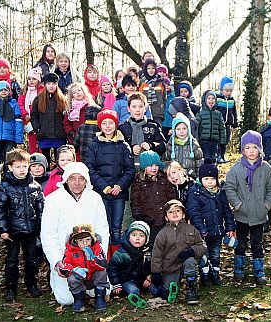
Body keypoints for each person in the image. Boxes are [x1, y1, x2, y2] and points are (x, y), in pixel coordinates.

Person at [40, 162, 109, 305]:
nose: (77, 183)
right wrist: (58, 261)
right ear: (66, 179)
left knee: (103, 290)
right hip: (68, 260)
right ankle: (56, 280)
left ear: (86, 180)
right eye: (72, 178)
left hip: (91, 260)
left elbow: (103, 230)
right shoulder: (53, 200)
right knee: (67, 299)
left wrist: (99, 255)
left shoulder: (95, 198)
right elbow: (48, 234)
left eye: (81, 178)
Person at [224, 130, 271, 285]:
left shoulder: (266, 168)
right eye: (247, 148)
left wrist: (267, 205)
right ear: (243, 150)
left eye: (254, 148)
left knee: (257, 244)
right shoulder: (236, 169)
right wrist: (237, 204)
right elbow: (229, 188)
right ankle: (239, 270)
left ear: (259, 149)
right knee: (240, 243)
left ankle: (259, 271)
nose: (251, 151)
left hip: (259, 215)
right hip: (241, 215)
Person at [0, 148, 45, 301]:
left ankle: (32, 284)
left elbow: (41, 209)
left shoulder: (35, 186)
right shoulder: (5, 187)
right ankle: (11, 287)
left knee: (31, 259)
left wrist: (41, 228)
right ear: (10, 168)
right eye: (17, 167)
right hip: (12, 232)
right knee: (11, 261)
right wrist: (3, 229)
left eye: (24, 166)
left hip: (31, 231)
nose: (22, 170)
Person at [85, 110, 135, 256]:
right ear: (100, 125)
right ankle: (103, 256)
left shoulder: (123, 146)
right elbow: (90, 168)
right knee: (103, 226)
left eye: (111, 123)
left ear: (116, 124)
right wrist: (104, 187)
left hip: (118, 193)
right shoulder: (93, 146)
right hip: (102, 192)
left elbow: (130, 169)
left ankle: (115, 256)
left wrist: (120, 185)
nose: (108, 126)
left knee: (116, 226)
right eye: (104, 123)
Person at [188, 159, 236, 286]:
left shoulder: (220, 193)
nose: (209, 182)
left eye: (212, 179)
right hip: (203, 232)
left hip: (217, 231)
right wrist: (201, 228)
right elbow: (194, 213)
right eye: (206, 179)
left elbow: (227, 211)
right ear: (201, 179)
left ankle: (215, 273)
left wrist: (230, 227)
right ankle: (204, 274)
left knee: (215, 254)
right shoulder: (195, 193)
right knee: (204, 254)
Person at [151, 199, 207, 305]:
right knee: (166, 292)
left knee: (190, 261)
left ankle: (191, 290)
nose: (175, 213)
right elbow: (157, 255)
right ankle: (164, 288)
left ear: (183, 214)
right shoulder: (163, 233)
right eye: (171, 212)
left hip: (186, 263)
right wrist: (156, 272)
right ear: (166, 217)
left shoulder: (191, 229)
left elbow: (202, 246)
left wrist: (191, 251)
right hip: (170, 267)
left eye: (177, 211)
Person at [130, 151, 176, 249]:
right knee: (152, 246)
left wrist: (171, 213)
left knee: (167, 245)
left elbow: (171, 197)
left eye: (156, 165)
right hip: (148, 220)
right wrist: (139, 216)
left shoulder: (164, 180)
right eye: (151, 165)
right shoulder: (139, 182)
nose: (154, 168)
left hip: (165, 220)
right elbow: (135, 201)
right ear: (144, 167)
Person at [62, 224, 109, 312]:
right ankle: (79, 299)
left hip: (93, 277)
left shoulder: (97, 248)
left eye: (88, 240)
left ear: (92, 239)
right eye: (81, 240)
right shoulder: (69, 250)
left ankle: (100, 297)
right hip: (80, 278)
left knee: (102, 273)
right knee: (72, 278)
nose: (85, 243)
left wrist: (94, 259)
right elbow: (64, 266)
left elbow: (104, 264)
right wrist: (73, 270)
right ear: (75, 241)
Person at [108, 221, 154, 309]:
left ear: (146, 239)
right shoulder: (122, 252)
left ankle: (166, 293)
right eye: (134, 235)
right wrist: (116, 283)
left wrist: (148, 277)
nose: (137, 238)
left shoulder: (148, 252)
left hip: (142, 280)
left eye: (141, 236)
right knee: (133, 289)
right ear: (129, 238)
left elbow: (151, 266)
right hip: (127, 280)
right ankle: (136, 300)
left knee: (154, 288)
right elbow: (113, 268)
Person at [118, 92, 166, 166]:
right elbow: (118, 148)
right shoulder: (123, 128)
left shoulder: (153, 126)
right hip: (129, 167)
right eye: (134, 107)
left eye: (140, 106)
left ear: (145, 108)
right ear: (128, 109)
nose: (137, 110)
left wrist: (151, 145)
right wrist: (130, 148)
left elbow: (163, 146)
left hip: (149, 167)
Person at [30, 73, 67, 167]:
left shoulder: (62, 99)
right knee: (45, 161)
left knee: (60, 160)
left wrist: (64, 130)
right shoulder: (38, 99)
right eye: (49, 83)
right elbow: (34, 116)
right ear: (45, 85)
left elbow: (66, 116)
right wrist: (37, 129)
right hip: (44, 134)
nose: (51, 86)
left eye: (53, 84)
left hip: (59, 134)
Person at [163, 112, 203, 178]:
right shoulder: (170, 145)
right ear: (174, 130)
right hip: (175, 178)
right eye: (178, 129)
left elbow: (199, 162)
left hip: (191, 177)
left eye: (184, 128)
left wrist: (199, 177)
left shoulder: (194, 145)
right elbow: (166, 161)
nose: (181, 132)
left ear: (188, 129)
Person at [64, 82, 98, 149]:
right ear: (72, 95)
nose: (77, 93)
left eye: (79, 90)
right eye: (74, 92)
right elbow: (67, 123)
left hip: (89, 135)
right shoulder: (71, 109)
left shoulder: (90, 106)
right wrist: (71, 132)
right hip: (76, 137)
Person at [18, 67, 43, 154]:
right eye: (29, 79)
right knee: (32, 140)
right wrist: (24, 114)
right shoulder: (24, 92)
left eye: (34, 79)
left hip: (39, 119)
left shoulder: (41, 91)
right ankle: (33, 157)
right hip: (28, 119)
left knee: (41, 141)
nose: (31, 81)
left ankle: (42, 158)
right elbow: (20, 104)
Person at [196, 90, 226, 163]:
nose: (211, 100)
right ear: (205, 100)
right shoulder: (200, 113)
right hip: (204, 140)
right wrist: (197, 139)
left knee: (213, 158)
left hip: (214, 140)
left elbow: (222, 128)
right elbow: (197, 127)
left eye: (213, 98)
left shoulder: (218, 114)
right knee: (206, 157)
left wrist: (222, 141)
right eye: (209, 98)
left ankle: (212, 171)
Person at [215, 76, 239, 163]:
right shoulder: (218, 99)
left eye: (230, 91)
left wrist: (235, 123)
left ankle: (223, 155)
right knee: (219, 140)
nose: (229, 93)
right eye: (227, 91)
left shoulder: (231, 100)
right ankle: (217, 155)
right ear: (222, 90)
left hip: (227, 124)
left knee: (225, 140)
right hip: (218, 124)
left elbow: (234, 112)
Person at [138, 59, 166, 125]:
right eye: (148, 68)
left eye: (153, 68)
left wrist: (161, 107)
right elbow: (139, 97)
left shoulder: (160, 82)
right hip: (144, 113)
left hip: (157, 113)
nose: (151, 70)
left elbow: (164, 98)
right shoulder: (142, 82)